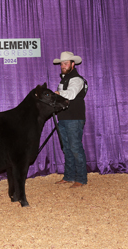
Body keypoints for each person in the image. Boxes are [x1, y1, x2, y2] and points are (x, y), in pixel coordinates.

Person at [53, 51, 88, 188]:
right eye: (61, 63)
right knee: (67, 148)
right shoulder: (64, 80)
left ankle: (81, 178)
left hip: (74, 117)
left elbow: (71, 94)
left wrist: (58, 94)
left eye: (66, 63)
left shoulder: (77, 79)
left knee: (75, 148)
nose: (63, 65)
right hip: (63, 117)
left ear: (73, 64)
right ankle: (69, 176)